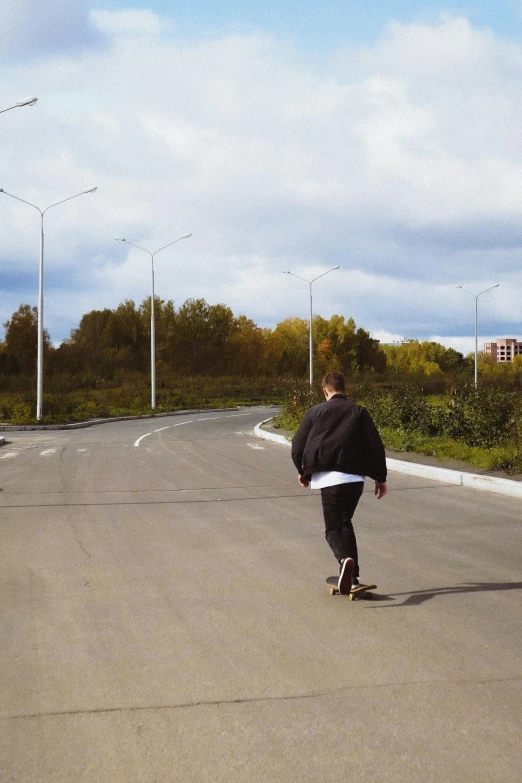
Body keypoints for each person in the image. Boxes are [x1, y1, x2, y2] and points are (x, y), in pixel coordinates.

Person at [291, 372, 387, 594]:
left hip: (329, 479)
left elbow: (297, 444)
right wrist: (380, 478)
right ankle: (353, 578)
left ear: (325, 391)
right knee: (345, 523)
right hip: (355, 480)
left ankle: (345, 562)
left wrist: (302, 471)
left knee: (333, 529)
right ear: (345, 389)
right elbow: (375, 446)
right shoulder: (359, 411)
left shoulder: (315, 411)